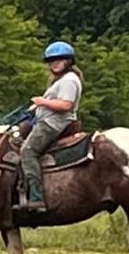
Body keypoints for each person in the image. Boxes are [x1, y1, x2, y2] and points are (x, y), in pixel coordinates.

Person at [19, 41, 82, 212]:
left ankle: (36, 197)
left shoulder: (69, 80)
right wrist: (35, 108)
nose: (54, 63)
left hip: (53, 124)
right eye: (51, 61)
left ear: (68, 61)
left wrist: (42, 102)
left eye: (59, 60)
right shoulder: (59, 81)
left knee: (28, 151)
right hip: (47, 121)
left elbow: (66, 105)